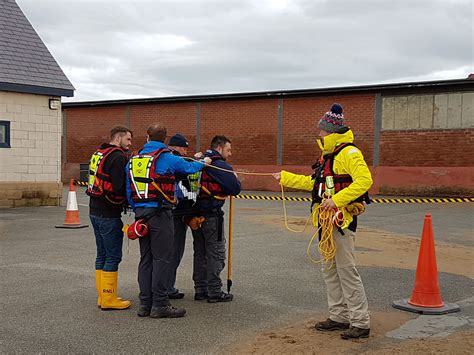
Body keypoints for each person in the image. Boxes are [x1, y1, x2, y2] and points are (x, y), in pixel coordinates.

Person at [273, 104, 372, 339]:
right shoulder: (327, 156)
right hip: (324, 222)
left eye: (321, 130)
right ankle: (339, 316)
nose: (318, 134)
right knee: (329, 270)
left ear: (330, 131)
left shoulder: (349, 153)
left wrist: (336, 201)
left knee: (347, 271)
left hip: (341, 222)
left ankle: (360, 321)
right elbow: (313, 183)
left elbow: (364, 180)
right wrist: (285, 178)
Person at [126, 124, 211, 318]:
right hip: (161, 215)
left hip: (141, 214)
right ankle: (160, 304)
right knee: (162, 259)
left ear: (147, 137)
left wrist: (139, 209)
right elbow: (189, 168)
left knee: (146, 259)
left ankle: (145, 304)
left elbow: (129, 190)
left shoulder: (134, 159)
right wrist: (204, 161)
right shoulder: (166, 158)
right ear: (165, 139)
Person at [87, 125, 133, 310]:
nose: (130, 143)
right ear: (118, 138)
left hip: (94, 210)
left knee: (102, 254)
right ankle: (108, 299)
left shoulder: (99, 152)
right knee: (113, 255)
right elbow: (119, 187)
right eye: (128, 139)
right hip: (108, 213)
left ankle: (103, 295)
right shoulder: (117, 157)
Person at [191, 135, 241, 303]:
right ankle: (214, 291)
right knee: (215, 253)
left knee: (200, 253)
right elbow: (235, 188)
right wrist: (234, 176)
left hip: (195, 216)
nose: (230, 153)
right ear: (219, 149)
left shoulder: (198, 161)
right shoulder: (219, 165)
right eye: (228, 149)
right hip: (212, 216)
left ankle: (200, 289)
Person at [166, 133, 198, 299]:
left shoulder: (169, 158)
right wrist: (203, 161)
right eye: (184, 147)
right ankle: (167, 287)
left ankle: (164, 286)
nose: (186, 151)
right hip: (176, 213)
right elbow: (186, 167)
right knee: (174, 251)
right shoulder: (174, 159)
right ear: (176, 147)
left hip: (176, 212)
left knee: (170, 252)